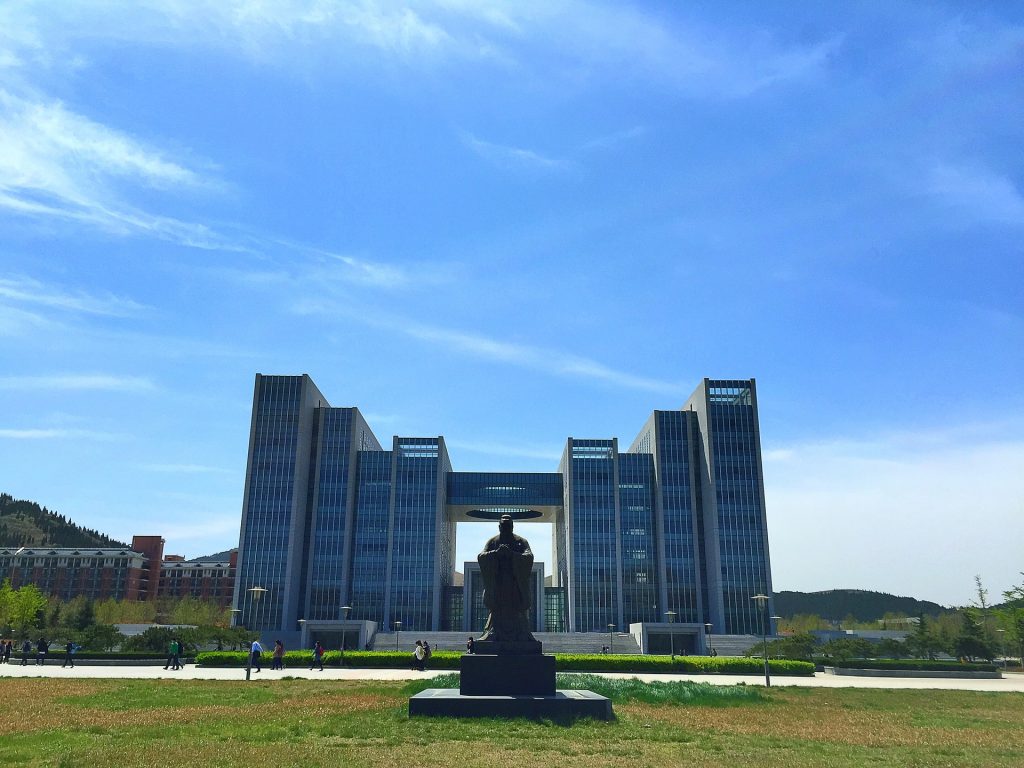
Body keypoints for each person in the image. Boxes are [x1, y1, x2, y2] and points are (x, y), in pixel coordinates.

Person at [477, 514, 536, 642]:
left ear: (512, 526)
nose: (505, 529)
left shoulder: (521, 541)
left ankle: (523, 633)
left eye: (508, 526)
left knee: (517, 609)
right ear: (499, 526)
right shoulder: (493, 541)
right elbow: (482, 556)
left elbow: (529, 556)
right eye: (503, 526)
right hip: (498, 583)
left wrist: (513, 555)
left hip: (515, 582)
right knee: (497, 608)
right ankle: (493, 631)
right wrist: (495, 553)